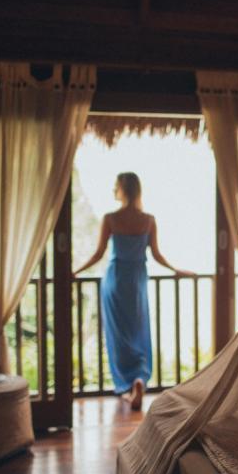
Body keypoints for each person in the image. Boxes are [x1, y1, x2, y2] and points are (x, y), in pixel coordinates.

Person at [74, 172, 194, 410]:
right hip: (137, 281)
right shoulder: (148, 220)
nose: (113, 190)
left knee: (119, 336)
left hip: (116, 280)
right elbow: (157, 256)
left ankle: (128, 385)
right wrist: (177, 270)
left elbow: (98, 254)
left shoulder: (111, 218)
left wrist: (75, 272)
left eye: (116, 186)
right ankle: (139, 379)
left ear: (123, 190)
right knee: (138, 331)